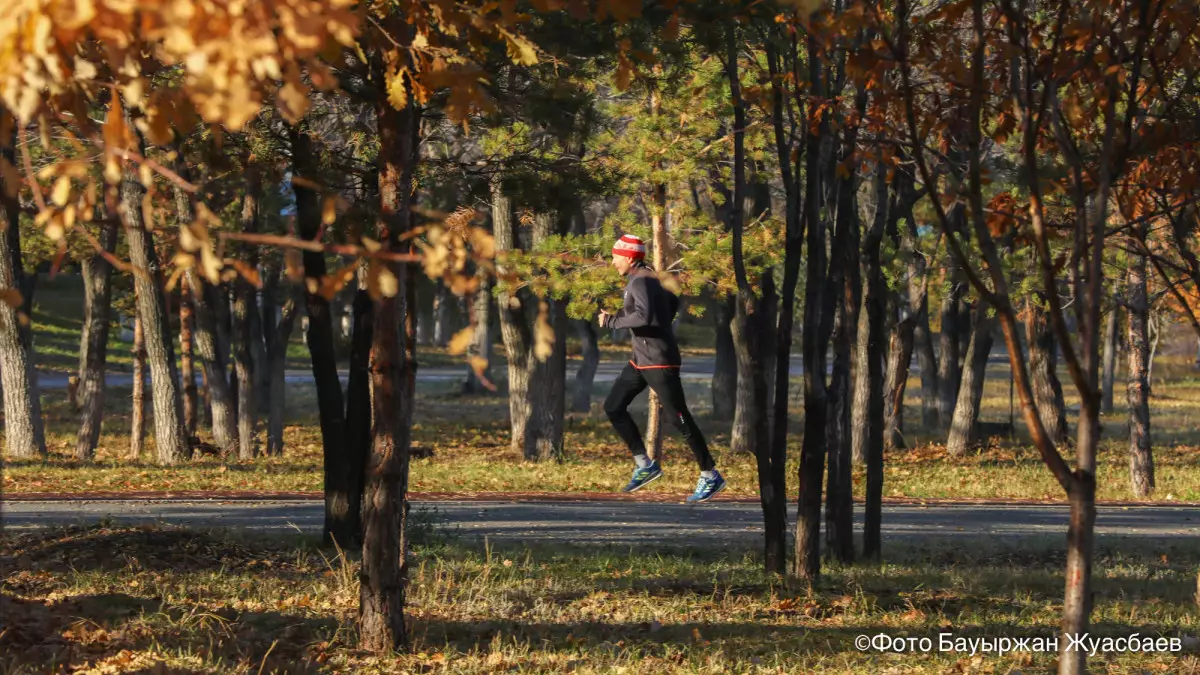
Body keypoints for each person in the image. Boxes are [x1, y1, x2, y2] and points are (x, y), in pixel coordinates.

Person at [599, 233, 726, 503]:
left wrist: (612, 321)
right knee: (613, 405)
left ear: (629, 258)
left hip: (659, 362)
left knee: (678, 418)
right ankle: (645, 465)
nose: (613, 263)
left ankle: (710, 474)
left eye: (615, 257)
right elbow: (671, 303)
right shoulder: (648, 278)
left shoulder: (641, 281)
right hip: (642, 359)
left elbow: (643, 316)